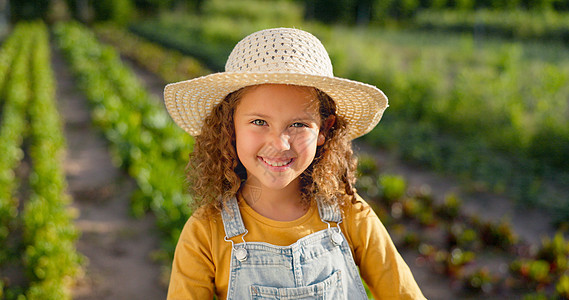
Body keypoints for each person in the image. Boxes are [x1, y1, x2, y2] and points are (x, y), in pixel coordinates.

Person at [164, 27, 425, 299]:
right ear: (229, 127)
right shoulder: (206, 231)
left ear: (324, 129)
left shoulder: (350, 216)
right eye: (259, 122)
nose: (280, 143)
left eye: (298, 124)